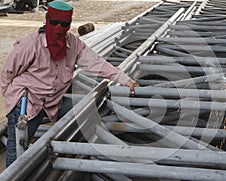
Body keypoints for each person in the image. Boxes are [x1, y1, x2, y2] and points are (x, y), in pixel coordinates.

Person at [1, 0, 139, 167]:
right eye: (54, 23)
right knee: (17, 152)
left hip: (52, 103)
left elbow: (97, 64)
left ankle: (75, 146)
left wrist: (126, 80)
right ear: (47, 19)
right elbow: (7, 73)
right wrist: (12, 101)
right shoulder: (31, 44)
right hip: (27, 104)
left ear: (69, 24)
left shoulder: (73, 45)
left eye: (64, 24)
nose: (58, 28)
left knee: (87, 106)